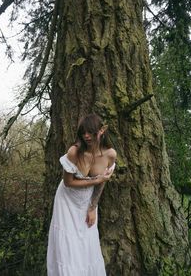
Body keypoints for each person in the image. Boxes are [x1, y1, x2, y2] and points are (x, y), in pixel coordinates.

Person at [47, 113, 117, 276]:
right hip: (67, 200)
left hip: (88, 201)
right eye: (83, 132)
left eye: (90, 132)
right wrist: (95, 180)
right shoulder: (74, 152)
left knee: (86, 243)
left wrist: (92, 207)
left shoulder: (110, 154)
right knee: (67, 244)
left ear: (102, 130)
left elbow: (102, 182)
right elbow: (68, 182)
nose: (86, 136)